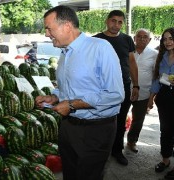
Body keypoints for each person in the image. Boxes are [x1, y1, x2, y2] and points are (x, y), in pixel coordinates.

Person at [35, 6, 125, 180]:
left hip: (96, 130)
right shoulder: (65, 53)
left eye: (49, 28)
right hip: (69, 126)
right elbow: (67, 89)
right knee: (70, 174)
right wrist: (54, 97)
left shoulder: (100, 48)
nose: (46, 34)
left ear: (67, 26)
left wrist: (72, 104)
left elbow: (115, 94)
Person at [93, 10, 139, 166]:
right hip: (101, 89)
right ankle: (100, 152)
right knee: (101, 121)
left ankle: (117, 151)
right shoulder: (95, 40)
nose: (116, 25)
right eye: (113, 21)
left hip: (123, 87)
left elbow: (132, 63)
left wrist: (136, 85)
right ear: (107, 21)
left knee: (120, 121)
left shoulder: (127, 40)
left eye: (120, 22)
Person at [126, 29, 158, 153]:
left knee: (138, 119)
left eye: (145, 37)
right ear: (134, 38)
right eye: (139, 36)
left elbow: (156, 76)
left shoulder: (154, 54)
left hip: (144, 93)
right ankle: (116, 142)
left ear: (150, 40)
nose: (142, 39)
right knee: (120, 116)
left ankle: (131, 141)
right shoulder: (128, 51)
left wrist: (152, 96)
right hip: (125, 91)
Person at [148, 27, 174, 179]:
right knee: (165, 130)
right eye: (165, 39)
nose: (168, 42)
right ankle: (165, 160)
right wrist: (151, 98)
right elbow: (157, 79)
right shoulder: (162, 55)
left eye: (171, 38)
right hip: (164, 97)